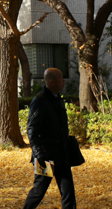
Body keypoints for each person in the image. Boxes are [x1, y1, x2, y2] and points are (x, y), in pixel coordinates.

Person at [22, 68, 77, 209]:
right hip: (45, 156)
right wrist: (40, 155)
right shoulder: (39, 101)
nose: (64, 80)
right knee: (38, 191)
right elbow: (32, 129)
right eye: (61, 77)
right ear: (52, 82)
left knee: (68, 192)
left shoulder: (58, 99)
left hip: (62, 153)